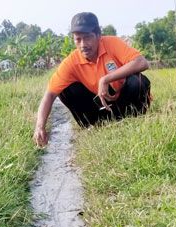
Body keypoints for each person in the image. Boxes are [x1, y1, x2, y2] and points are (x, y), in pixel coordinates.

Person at [33, 12, 152, 147]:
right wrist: (39, 127)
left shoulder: (112, 43)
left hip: (124, 101)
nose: (83, 44)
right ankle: (95, 126)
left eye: (87, 37)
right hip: (100, 108)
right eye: (78, 39)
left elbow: (142, 62)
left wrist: (106, 79)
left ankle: (133, 119)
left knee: (139, 81)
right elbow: (49, 94)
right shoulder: (72, 62)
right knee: (65, 90)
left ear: (98, 35)